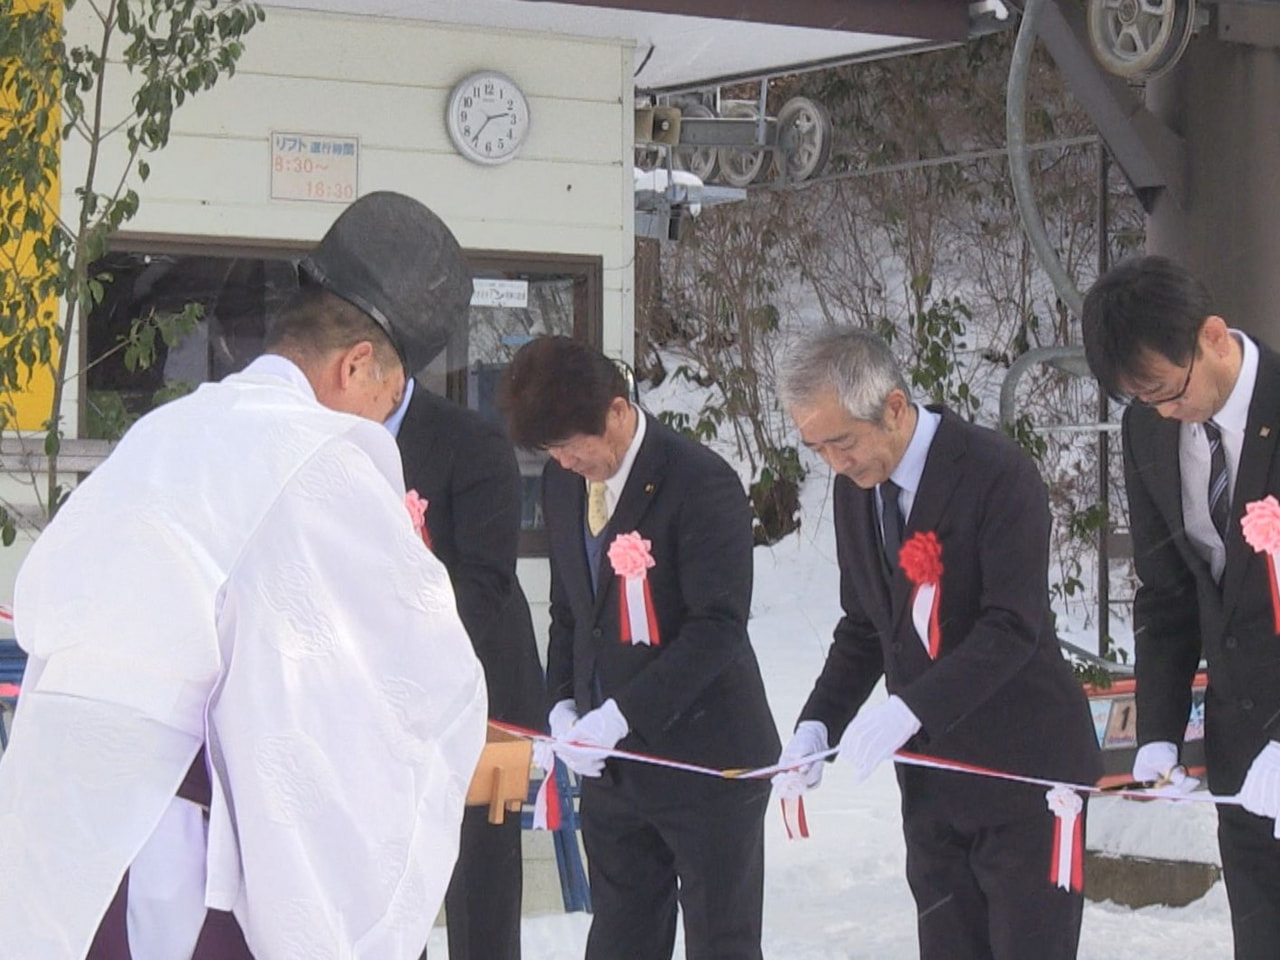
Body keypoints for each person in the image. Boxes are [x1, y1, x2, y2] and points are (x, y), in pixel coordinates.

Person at [0, 191, 489, 959]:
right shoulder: (314, 460)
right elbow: (414, 683)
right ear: (356, 363)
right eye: (382, 400)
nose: (376, 423)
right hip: (181, 856)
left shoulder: (163, 431)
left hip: (65, 835)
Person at [772, 326, 1102, 960]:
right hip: (931, 784)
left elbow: (1011, 625)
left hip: (1025, 777)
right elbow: (865, 624)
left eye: (842, 442)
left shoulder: (995, 473)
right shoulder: (855, 491)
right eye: (817, 449)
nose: (834, 464)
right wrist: (818, 724)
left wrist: (911, 708)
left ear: (894, 406)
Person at [496, 336, 780, 960]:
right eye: (552, 451)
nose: (566, 462)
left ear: (618, 411)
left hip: (706, 762)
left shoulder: (700, 482)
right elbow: (570, 609)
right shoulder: (564, 485)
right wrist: (564, 705)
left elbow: (718, 626)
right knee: (621, 940)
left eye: (574, 445)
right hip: (615, 776)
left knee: (721, 942)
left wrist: (624, 714)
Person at [1081, 255, 1280, 959]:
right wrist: (1159, 735)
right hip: (1242, 758)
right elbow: (1167, 592)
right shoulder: (1152, 433)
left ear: (1214, 337)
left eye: (1168, 391)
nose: (1165, 412)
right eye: (1143, 401)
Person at [387, 376, 544, 960]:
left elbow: (485, 580)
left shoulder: (468, 440)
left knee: (480, 885)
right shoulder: (336, 443)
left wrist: (405, 662)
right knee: (387, 886)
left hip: (481, 692)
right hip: (375, 707)